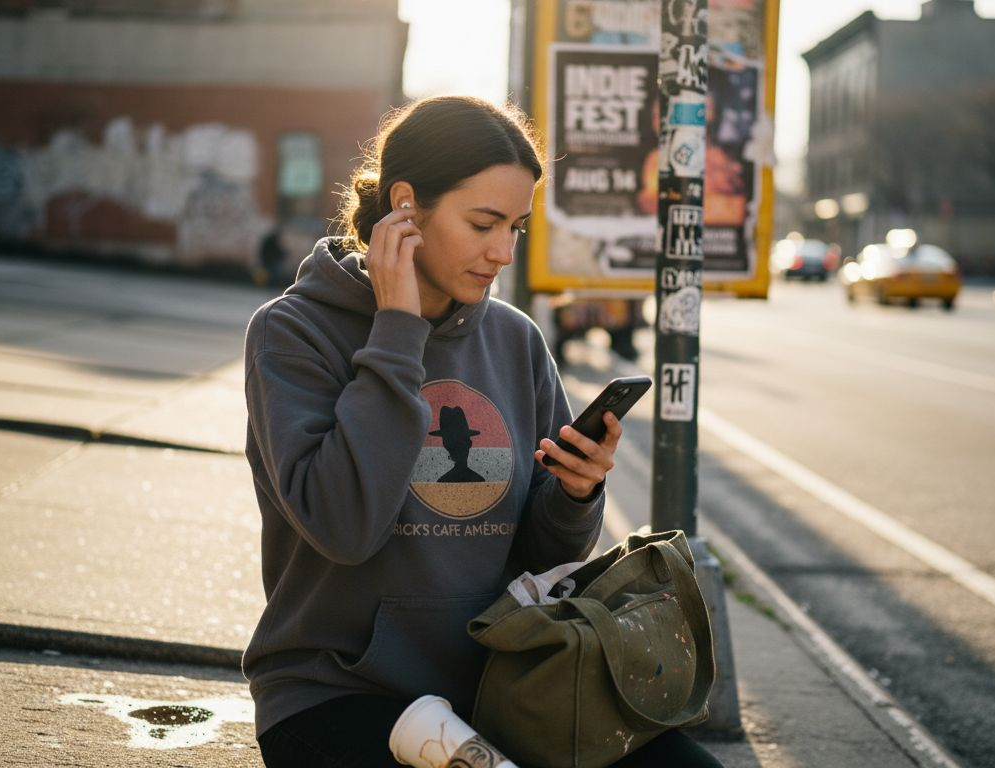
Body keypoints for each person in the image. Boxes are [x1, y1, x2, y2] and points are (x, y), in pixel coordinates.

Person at [241, 95, 721, 767]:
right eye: (483, 223)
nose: (502, 252)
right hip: (337, 694)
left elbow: (538, 556)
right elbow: (344, 527)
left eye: (516, 228)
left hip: (502, 682)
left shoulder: (513, 340)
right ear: (405, 205)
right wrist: (398, 331)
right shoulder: (293, 333)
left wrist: (574, 494)